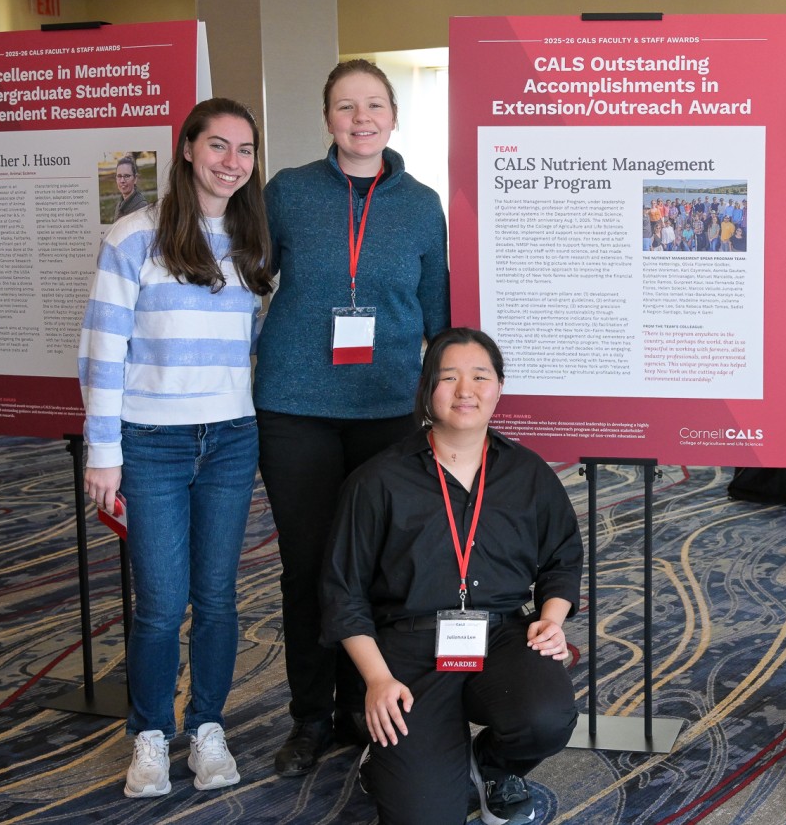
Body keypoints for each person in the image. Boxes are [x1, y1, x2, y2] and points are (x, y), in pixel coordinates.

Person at [256, 58, 450, 778]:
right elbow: (247, 280)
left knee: (373, 568)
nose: (360, 118)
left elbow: (438, 317)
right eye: (345, 106)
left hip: (387, 408)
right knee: (307, 566)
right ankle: (312, 717)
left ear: (395, 116)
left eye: (374, 105)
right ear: (327, 117)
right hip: (295, 407)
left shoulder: (422, 203)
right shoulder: (288, 193)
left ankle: (372, 703)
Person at [79, 98, 272, 798]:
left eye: (245, 150)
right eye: (217, 145)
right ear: (187, 149)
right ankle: (152, 734)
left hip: (229, 438)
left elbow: (248, 345)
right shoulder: (134, 235)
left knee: (218, 597)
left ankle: (209, 725)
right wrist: (104, 452)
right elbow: (102, 350)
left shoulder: (251, 238)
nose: (231, 162)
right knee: (161, 601)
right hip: (151, 443)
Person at [321, 327, 580, 825]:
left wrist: (552, 617)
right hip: (408, 649)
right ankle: (389, 760)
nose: (466, 390)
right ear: (426, 390)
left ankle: (495, 767)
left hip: (502, 633)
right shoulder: (378, 480)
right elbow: (342, 590)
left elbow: (563, 556)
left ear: (499, 388)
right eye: (449, 377)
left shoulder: (527, 474)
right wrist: (376, 680)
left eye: (480, 376)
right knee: (422, 816)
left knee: (545, 717)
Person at [112, 154, 148, 221]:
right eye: (119, 176)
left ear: (135, 179)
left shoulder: (141, 207)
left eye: (126, 176)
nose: (122, 180)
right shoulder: (120, 204)